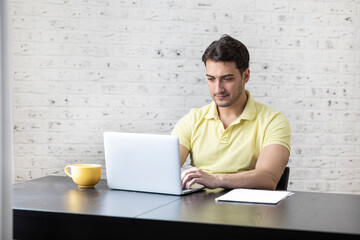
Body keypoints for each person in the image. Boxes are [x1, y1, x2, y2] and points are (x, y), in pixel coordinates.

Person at [171, 35, 291, 190]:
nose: (218, 89)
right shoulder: (193, 120)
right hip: (196, 210)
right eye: (211, 79)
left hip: (247, 211)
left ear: (245, 76)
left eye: (227, 79)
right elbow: (165, 171)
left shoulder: (273, 121)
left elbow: (268, 178)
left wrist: (216, 180)